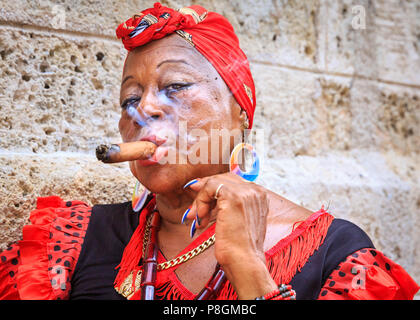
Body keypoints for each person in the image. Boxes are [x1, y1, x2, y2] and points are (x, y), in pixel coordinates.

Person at [0, 3, 418, 300]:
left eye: (175, 87)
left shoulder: (337, 254)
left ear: (240, 113)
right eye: (130, 96)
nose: (144, 109)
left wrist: (250, 268)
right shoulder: (74, 242)